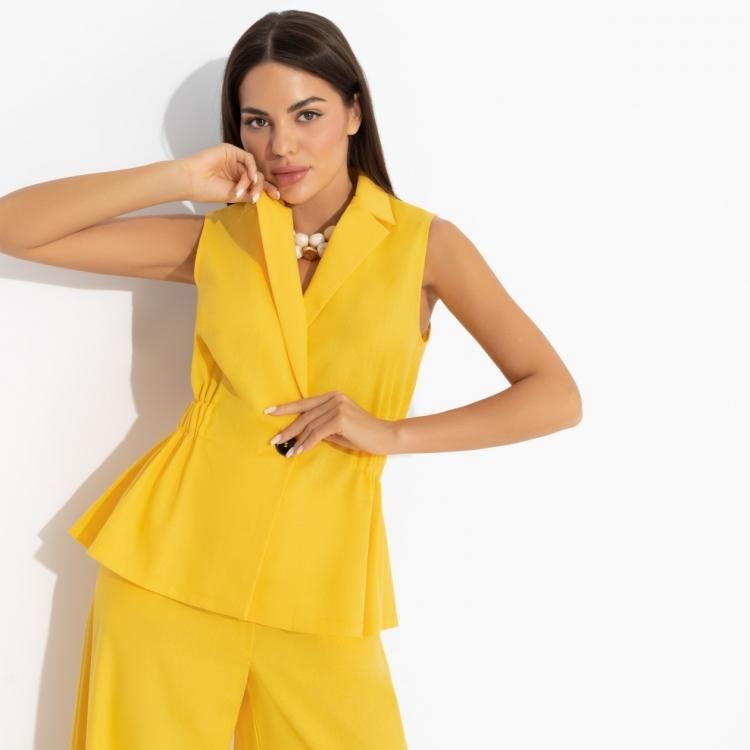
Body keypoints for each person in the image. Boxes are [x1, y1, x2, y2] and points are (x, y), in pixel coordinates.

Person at [0, 10, 583, 749]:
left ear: (353, 112)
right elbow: (15, 227)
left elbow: (555, 394)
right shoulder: (220, 240)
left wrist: (390, 434)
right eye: (258, 122)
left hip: (324, 588)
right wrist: (179, 177)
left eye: (307, 114)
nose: (281, 145)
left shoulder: (425, 245)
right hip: (171, 567)